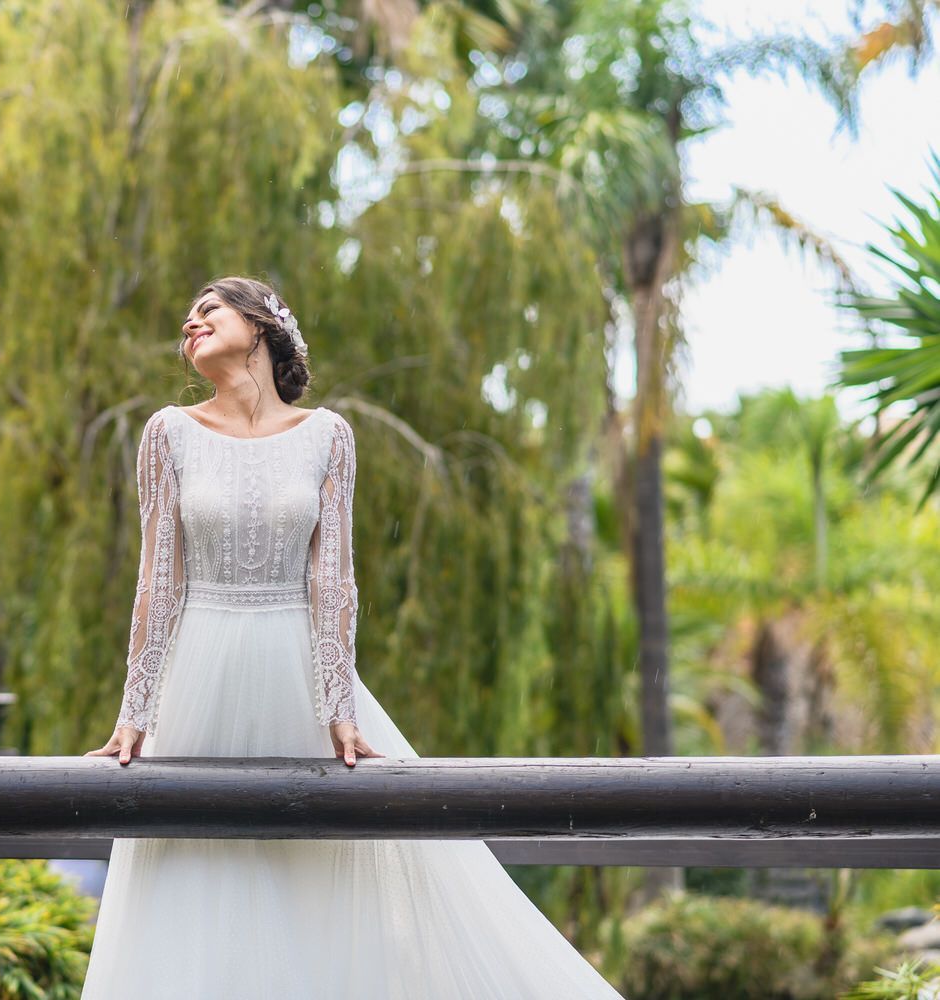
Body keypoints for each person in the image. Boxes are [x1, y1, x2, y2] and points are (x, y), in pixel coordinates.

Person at [81, 275, 625, 999]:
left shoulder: (328, 436)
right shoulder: (167, 433)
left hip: (297, 676)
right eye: (187, 319)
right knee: (190, 871)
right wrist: (136, 712)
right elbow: (157, 582)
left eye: (207, 310)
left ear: (264, 323)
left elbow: (334, 581)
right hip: (196, 675)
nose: (190, 324)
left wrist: (340, 707)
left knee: (315, 881)